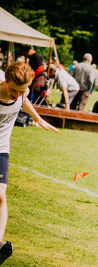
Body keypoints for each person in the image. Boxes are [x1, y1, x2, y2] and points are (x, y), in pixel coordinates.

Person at [0, 62, 59, 264]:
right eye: (13, 90)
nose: (16, 95)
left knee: (0, 196)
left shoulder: (21, 93)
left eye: (21, 91)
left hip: (1, 149)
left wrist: (38, 118)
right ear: (5, 81)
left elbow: (24, 100)